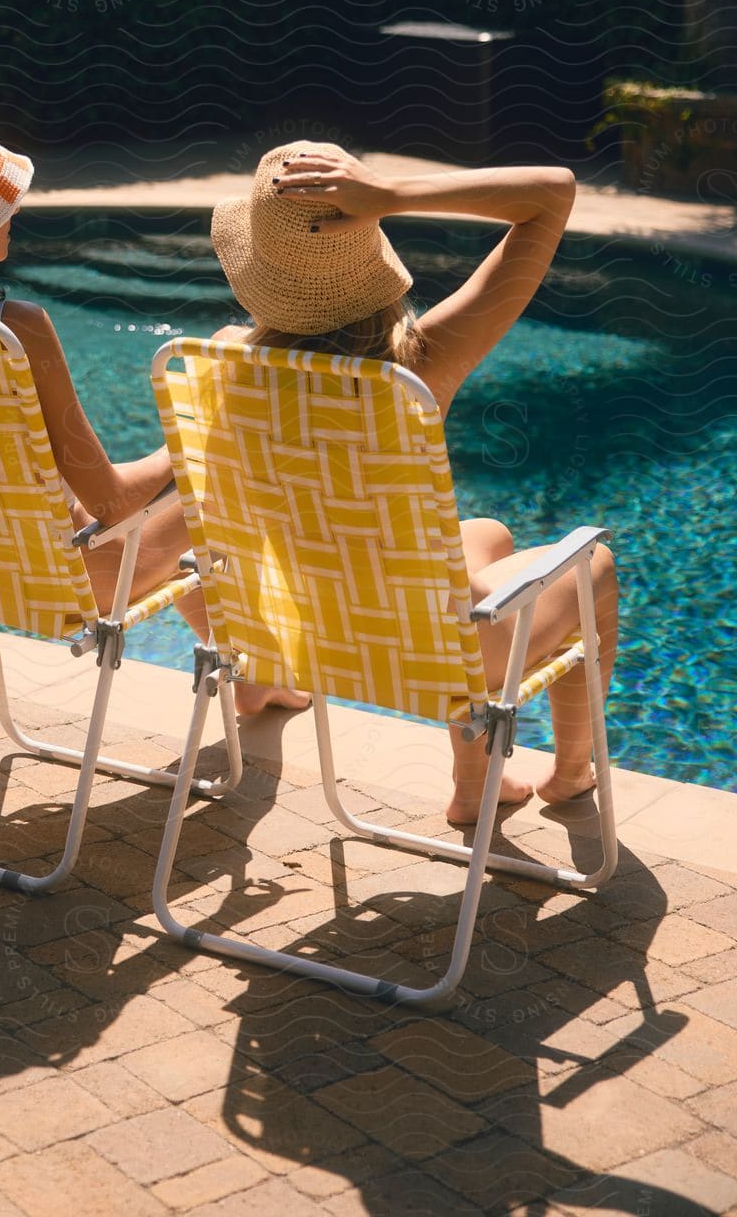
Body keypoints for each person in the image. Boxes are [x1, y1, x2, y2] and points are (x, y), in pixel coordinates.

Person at [210, 140, 619, 823]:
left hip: (296, 637)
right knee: (593, 567)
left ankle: (475, 782)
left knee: (486, 535)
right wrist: (390, 194)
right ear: (366, 248)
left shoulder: (219, 365)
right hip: (436, 658)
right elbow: (551, 194)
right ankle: (571, 774)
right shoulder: (417, 368)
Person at [0, 112, 300, 717]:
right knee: (227, 484)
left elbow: (61, 485)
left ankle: (253, 673)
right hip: (67, 578)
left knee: (187, 497)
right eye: (4, 203)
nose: (14, 213)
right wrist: (204, 424)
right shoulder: (15, 330)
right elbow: (113, 508)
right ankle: (258, 671)